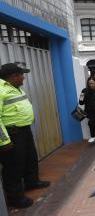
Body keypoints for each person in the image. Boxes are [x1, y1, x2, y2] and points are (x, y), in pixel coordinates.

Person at [0, 63, 50, 208]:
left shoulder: (16, 88)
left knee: (30, 158)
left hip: (24, 130)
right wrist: (3, 141)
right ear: (13, 76)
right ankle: (15, 198)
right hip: (11, 134)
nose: (23, 78)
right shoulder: (1, 90)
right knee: (13, 166)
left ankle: (32, 182)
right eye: (22, 75)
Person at [79, 78, 95, 143]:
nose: (91, 85)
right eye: (89, 83)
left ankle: (94, 135)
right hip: (89, 110)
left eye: (92, 83)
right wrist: (81, 97)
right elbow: (81, 102)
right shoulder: (84, 90)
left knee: (91, 123)